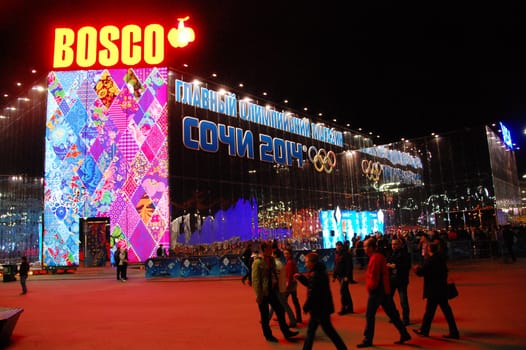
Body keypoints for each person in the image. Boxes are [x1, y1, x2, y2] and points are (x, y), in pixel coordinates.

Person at [357, 237, 411, 348]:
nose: (364, 248)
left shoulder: (376, 258)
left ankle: (368, 339)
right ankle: (404, 333)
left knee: (370, 315)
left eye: (366, 246)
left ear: (371, 247)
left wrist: (371, 288)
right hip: (383, 291)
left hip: (377, 291)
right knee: (392, 314)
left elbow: (374, 277)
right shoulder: (378, 257)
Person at [295, 252, 347, 350]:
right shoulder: (318, 272)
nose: (305, 264)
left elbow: (313, 293)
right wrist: (301, 278)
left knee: (325, 331)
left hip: (319, 308)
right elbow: (311, 286)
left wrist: (306, 306)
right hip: (321, 307)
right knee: (316, 331)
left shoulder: (316, 274)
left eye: (306, 262)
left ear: (312, 263)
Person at [251, 240, 299, 342]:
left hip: (272, 291)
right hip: (263, 293)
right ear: (264, 250)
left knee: (280, 310)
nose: (271, 250)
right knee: (264, 316)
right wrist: (258, 295)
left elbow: (274, 274)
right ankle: (268, 336)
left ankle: (286, 332)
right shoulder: (257, 262)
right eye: (269, 248)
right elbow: (255, 280)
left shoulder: (271, 260)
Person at [413, 242, 460, 339]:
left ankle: (424, 330)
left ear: (429, 250)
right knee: (445, 311)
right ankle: (453, 330)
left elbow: (422, 272)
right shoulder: (440, 259)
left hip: (433, 289)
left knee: (430, 311)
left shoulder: (430, 260)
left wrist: (416, 270)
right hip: (441, 288)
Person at [269, 248, 297, 327]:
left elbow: (276, 277)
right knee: (275, 304)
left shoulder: (276, 264)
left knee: (283, 304)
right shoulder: (281, 263)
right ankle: (267, 319)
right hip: (282, 286)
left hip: (278, 288)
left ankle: (292, 320)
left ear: (274, 255)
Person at [386, 238, 411, 325]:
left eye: (396, 244)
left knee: (403, 300)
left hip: (401, 279)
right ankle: (394, 316)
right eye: (393, 244)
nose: (394, 246)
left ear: (400, 245)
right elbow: (387, 262)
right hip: (391, 279)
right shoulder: (390, 253)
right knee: (389, 299)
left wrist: (396, 266)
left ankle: (406, 319)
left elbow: (407, 266)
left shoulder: (405, 254)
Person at [333, 241, 354, 315]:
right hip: (339, 276)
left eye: (339, 245)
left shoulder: (346, 254)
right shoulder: (337, 254)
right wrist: (334, 276)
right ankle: (350, 307)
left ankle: (344, 308)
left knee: (343, 292)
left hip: (344, 276)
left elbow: (349, 266)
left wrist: (347, 276)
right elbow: (336, 265)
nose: (338, 247)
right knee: (346, 292)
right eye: (337, 245)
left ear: (342, 246)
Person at [283, 248, 302, 324]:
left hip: (290, 285)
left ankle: (285, 317)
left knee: (283, 301)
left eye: (287, 253)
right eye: (285, 253)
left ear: (290, 254)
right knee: (295, 301)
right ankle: (298, 317)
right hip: (293, 284)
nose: (285, 255)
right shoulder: (291, 262)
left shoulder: (290, 262)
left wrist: (287, 284)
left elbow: (290, 274)